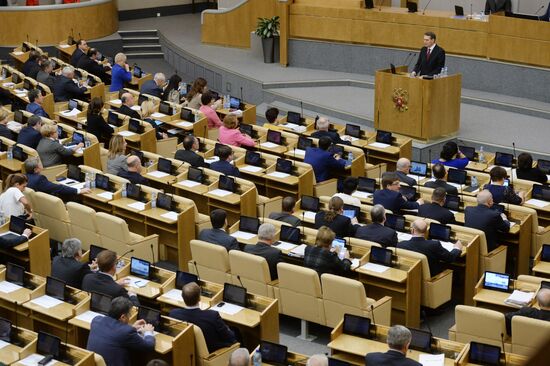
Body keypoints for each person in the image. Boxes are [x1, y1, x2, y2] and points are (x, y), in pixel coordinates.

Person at [168, 282, 237, 353]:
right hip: (213, 352)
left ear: (183, 298)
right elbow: (231, 338)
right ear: (199, 298)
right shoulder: (212, 316)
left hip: (188, 351)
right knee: (236, 332)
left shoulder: (174, 314)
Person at [87, 296, 155, 366]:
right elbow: (148, 347)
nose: (130, 317)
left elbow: (114, 331)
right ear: (123, 317)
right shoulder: (127, 332)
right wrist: (148, 332)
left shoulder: (96, 320)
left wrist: (131, 328)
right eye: (129, 314)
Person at [397, 219, 462, 276]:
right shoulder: (434, 245)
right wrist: (457, 248)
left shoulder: (401, 245)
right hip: (432, 277)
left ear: (412, 230)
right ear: (426, 231)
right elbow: (450, 258)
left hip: (411, 275)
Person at [25, 157, 90, 199]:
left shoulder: (24, 176)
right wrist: (78, 191)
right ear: (36, 169)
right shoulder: (39, 179)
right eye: (40, 164)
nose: (42, 164)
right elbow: (58, 188)